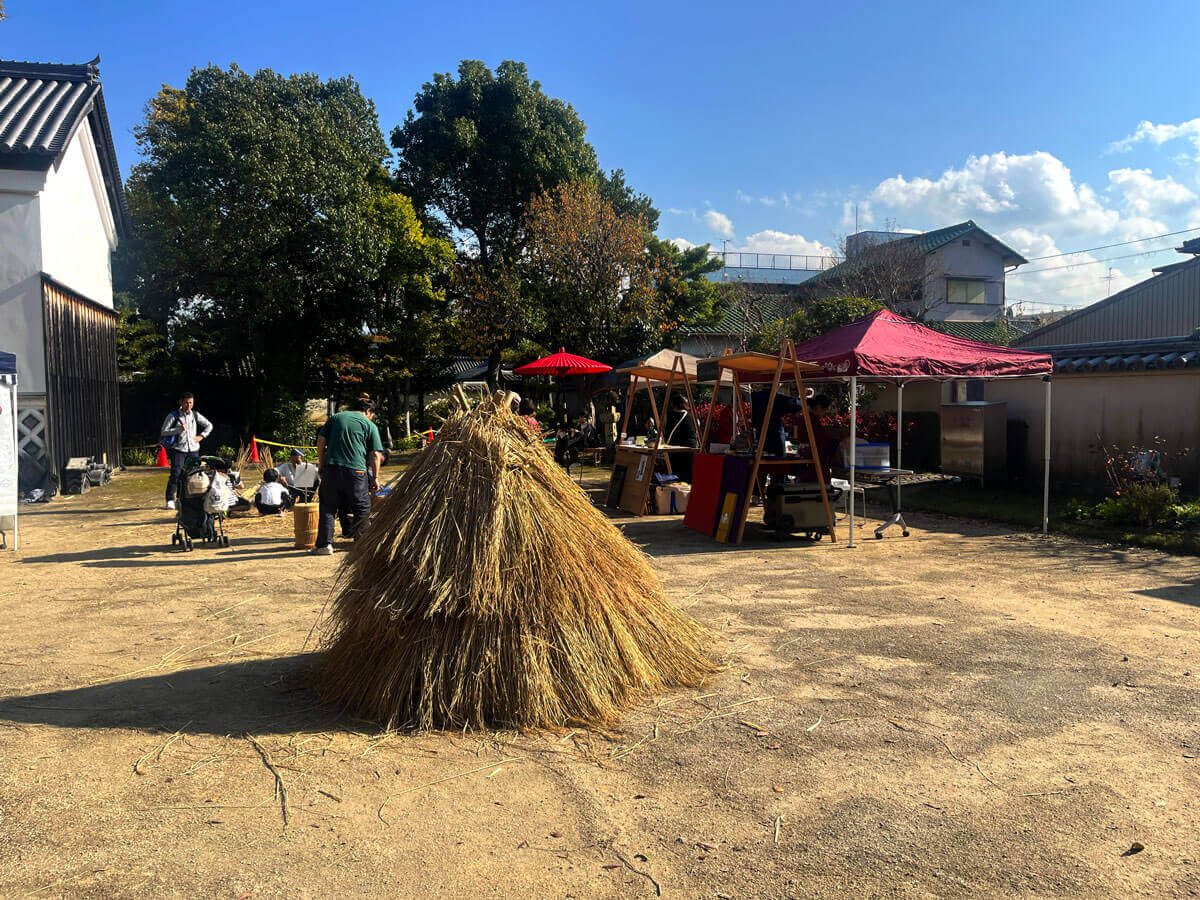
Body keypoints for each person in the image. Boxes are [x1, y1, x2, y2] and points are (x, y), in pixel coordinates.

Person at [311, 397, 383, 555]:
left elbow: (321, 440)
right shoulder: (369, 425)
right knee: (362, 507)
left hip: (332, 469)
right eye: (372, 414)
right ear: (368, 411)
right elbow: (375, 455)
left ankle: (324, 545)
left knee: (328, 507)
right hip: (356, 472)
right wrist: (375, 478)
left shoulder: (336, 417)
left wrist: (322, 464)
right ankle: (362, 544)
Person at [160, 391, 214, 510]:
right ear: (180, 402)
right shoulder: (173, 416)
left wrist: (201, 436)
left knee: (194, 474)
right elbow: (164, 431)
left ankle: (192, 498)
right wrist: (178, 429)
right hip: (179, 449)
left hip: (193, 449)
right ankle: (170, 499)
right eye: (186, 403)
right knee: (176, 474)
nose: (188, 405)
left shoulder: (195, 415)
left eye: (190, 403)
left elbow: (209, 425)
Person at [664, 393, 698, 481]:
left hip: (674, 452)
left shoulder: (670, 415)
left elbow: (666, 433)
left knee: (675, 480)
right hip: (689, 452)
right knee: (687, 482)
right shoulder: (691, 416)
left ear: (673, 405)